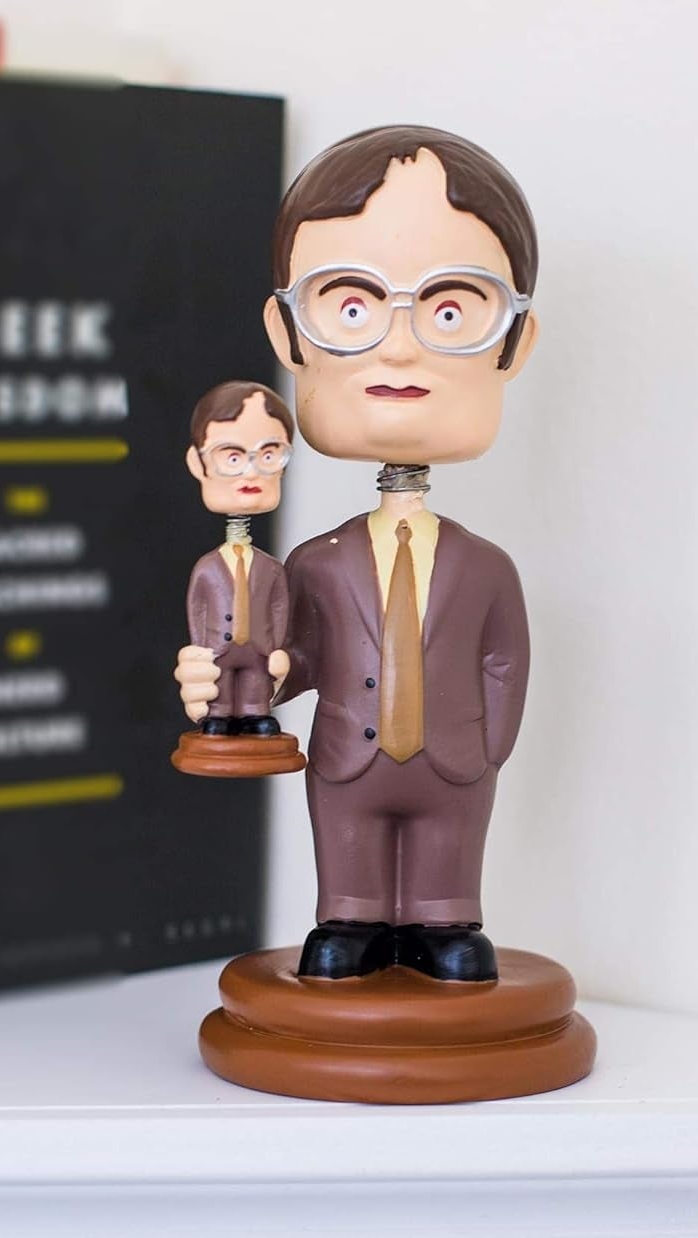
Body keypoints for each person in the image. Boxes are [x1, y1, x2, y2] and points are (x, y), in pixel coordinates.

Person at [177, 127, 539, 981]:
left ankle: (446, 922)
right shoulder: (316, 562)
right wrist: (240, 681)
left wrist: (487, 744)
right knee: (347, 849)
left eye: (450, 310)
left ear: (514, 341)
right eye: (352, 306)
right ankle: (351, 917)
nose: (400, 346)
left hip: (455, 762)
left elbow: (504, 659)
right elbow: (294, 656)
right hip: (348, 757)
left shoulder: (485, 566)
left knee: (450, 850)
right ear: (287, 332)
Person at [181, 381, 294, 737]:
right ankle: (219, 714)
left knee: (254, 686)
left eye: (268, 455)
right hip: (219, 647)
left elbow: (279, 607)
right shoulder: (208, 567)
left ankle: (253, 712)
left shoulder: (271, 568)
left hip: (259, 649)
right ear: (199, 463)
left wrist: (276, 648)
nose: (250, 472)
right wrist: (202, 649)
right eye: (232, 457)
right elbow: (198, 607)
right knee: (221, 688)